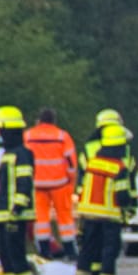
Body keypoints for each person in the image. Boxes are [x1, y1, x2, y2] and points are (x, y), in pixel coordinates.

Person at [75, 123, 135, 275]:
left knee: (88, 247)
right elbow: (122, 195)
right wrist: (127, 208)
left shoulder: (93, 163)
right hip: (109, 214)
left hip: (88, 213)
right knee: (110, 248)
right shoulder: (119, 167)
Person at [0, 105, 36, 275]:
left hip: (16, 214)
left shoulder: (22, 154)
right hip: (5, 213)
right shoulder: (7, 154)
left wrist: (18, 207)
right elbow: (3, 188)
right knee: (6, 256)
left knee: (16, 255)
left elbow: (24, 183)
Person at [23, 107, 78, 260]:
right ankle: (71, 252)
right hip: (59, 183)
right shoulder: (62, 136)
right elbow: (71, 163)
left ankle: (44, 251)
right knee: (65, 218)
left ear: (39, 120)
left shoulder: (28, 135)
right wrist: (70, 181)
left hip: (36, 184)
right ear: (54, 121)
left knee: (41, 219)